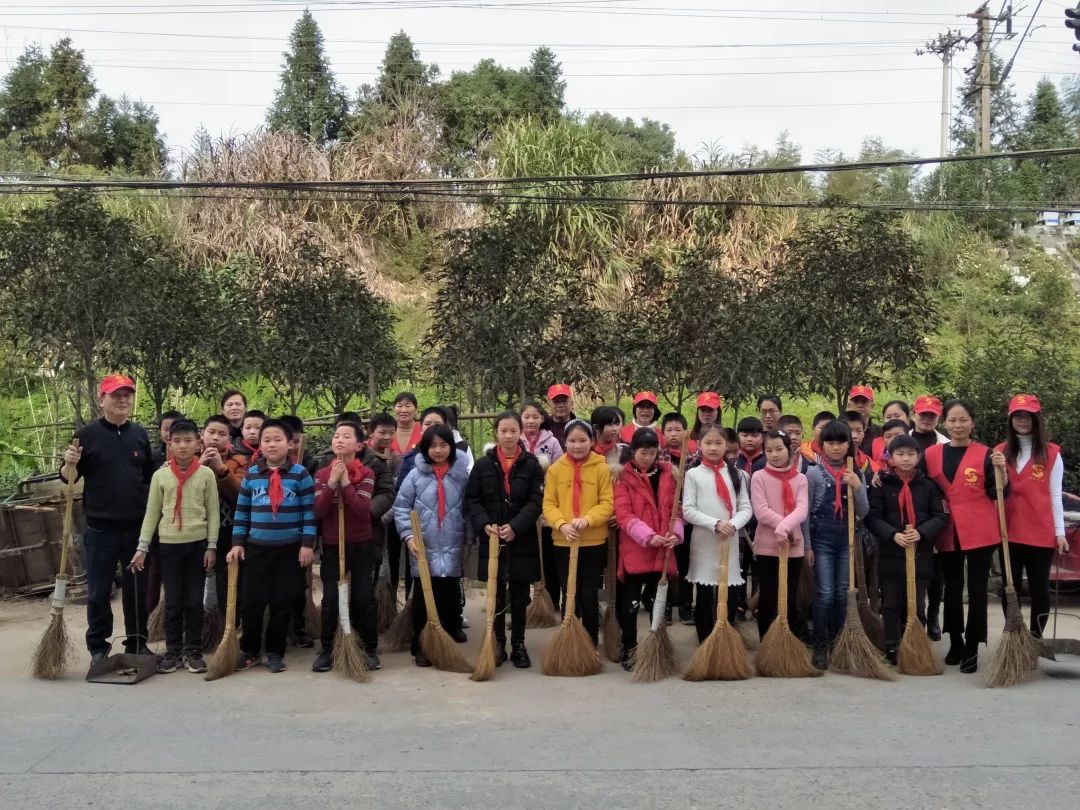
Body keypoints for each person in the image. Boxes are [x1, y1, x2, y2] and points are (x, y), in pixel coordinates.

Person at [61, 374, 155, 670]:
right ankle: (99, 648)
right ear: (102, 399)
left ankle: (138, 642)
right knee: (99, 591)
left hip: (136, 528)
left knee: (136, 590)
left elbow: (150, 478)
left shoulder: (138, 434)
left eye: (127, 395)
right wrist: (68, 462)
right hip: (101, 529)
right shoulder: (86, 436)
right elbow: (67, 478)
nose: (123, 400)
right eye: (116, 395)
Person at [921, 400, 1007, 674]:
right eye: (952, 420)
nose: (958, 425)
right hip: (946, 530)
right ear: (945, 423)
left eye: (963, 420)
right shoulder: (932, 454)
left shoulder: (986, 453)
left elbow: (999, 493)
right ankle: (955, 641)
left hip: (980, 530)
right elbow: (919, 486)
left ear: (973, 423)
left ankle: (972, 645)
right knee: (952, 589)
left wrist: (1002, 471)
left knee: (979, 590)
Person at [227, 418, 317, 674]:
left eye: (277, 439)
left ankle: (276, 652)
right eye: (267, 440)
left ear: (290, 444)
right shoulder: (252, 474)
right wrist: (237, 543)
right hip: (256, 549)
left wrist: (307, 545)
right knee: (251, 602)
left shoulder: (301, 475)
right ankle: (250, 650)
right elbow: (242, 512)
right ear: (261, 445)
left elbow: (309, 513)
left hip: (290, 550)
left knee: (283, 602)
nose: (272, 444)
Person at [132, 419, 218, 674]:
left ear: (198, 443)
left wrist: (211, 546)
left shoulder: (206, 474)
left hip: (197, 545)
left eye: (188, 441)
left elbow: (213, 513)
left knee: (194, 600)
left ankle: (193, 651)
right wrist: (142, 547)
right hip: (168, 546)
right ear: (169, 443)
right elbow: (152, 514)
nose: (182, 446)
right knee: (173, 601)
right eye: (177, 441)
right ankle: (172, 651)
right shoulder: (160, 475)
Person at [465, 411, 545, 669]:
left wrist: (516, 526)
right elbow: (472, 500)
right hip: (492, 537)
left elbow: (536, 501)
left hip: (521, 538)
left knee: (520, 595)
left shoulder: (532, 464)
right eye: (504, 431)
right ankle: (497, 642)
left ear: (520, 432)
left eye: (513, 431)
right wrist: (485, 524)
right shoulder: (483, 465)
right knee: (496, 593)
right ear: (496, 433)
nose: (509, 436)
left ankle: (519, 644)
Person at [394, 423, 472, 666]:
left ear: (451, 446)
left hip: (452, 544)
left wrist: (468, 538)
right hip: (423, 545)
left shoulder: (461, 476)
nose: (438, 450)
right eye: (433, 446)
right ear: (425, 448)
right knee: (423, 599)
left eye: (443, 445)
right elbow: (401, 507)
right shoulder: (415, 476)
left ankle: (445, 644)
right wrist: (408, 536)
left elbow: (470, 509)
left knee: (449, 598)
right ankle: (421, 646)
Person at [865, 434, 947, 665]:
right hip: (891, 554)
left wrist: (921, 532)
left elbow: (941, 516)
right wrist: (893, 534)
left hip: (921, 554)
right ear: (890, 458)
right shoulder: (881, 485)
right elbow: (873, 517)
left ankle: (915, 645)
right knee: (891, 603)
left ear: (919, 457)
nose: (906, 459)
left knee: (917, 603)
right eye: (900, 454)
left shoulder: (930, 486)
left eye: (911, 454)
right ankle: (891, 646)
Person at [996, 394, 1069, 638]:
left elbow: (1055, 495)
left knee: (1039, 589)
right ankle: (1015, 637)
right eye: (1018, 415)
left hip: (1040, 532)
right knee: (1010, 588)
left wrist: (1060, 532)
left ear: (1037, 418)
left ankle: (1036, 639)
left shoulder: (1051, 453)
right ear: (1010, 419)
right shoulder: (999, 452)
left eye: (1028, 415)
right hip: (1008, 531)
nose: (1023, 420)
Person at [312, 421, 380, 673]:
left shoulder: (367, 475)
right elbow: (319, 511)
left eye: (346, 436)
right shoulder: (320, 475)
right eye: (336, 435)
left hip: (361, 545)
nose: (339, 440)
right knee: (331, 599)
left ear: (359, 445)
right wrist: (331, 483)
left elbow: (364, 512)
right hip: (332, 545)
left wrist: (347, 483)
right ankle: (328, 649)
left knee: (363, 598)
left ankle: (370, 648)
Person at [613, 428, 683, 671]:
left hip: (663, 547)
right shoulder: (622, 477)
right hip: (637, 547)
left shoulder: (668, 476)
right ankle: (629, 646)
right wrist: (648, 536)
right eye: (643, 452)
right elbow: (623, 514)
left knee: (657, 602)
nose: (647, 457)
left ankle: (657, 647)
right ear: (633, 451)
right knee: (630, 603)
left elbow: (677, 509)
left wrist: (676, 533)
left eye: (652, 453)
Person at [542, 419, 615, 647]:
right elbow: (548, 504)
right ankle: (570, 640)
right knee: (569, 592)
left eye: (583, 440)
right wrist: (562, 524)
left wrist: (588, 520)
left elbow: (607, 502)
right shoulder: (555, 470)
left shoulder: (602, 467)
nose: (577, 445)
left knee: (589, 592)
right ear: (565, 441)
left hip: (593, 540)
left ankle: (591, 641)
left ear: (591, 441)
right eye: (572, 440)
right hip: (563, 541)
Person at [805, 420, 869, 670]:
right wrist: (808, 546)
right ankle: (820, 644)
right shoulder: (813, 473)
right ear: (822, 445)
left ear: (848, 444)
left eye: (840, 442)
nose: (835, 448)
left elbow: (863, 511)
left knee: (843, 593)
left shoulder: (856, 472)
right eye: (830, 443)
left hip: (847, 539)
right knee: (825, 593)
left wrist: (857, 486)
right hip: (822, 539)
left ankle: (837, 641)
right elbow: (807, 513)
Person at [681, 423, 753, 643]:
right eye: (708, 443)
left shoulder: (738, 475)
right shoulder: (693, 474)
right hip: (704, 541)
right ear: (699, 445)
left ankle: (726, 639)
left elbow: (746, 507)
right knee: (704, 594)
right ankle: (704, 641)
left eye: (718, 443)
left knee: (730, 593)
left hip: (729, 540)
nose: (713, 448)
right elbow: (688, 510)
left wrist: (732, 524)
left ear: (727, 445)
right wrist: (715, 523)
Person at [750, 430, 809, 640]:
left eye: (779, 449)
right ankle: (766, 643)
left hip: (793, 545)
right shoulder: (759, 477)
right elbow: (761, 511)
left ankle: (789, 642)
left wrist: (785, 529)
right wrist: (783, 527)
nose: (774, 454)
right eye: (769, 450)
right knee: (768, 596)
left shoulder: (801, 479)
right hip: (767, 545)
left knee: (790, 597)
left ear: (789, 449)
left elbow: (802, 509)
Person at [200, 415, 250, 613]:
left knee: (225, 576)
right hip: (196, 528)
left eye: (222, 434)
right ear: (202, 434)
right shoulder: (191, 458)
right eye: (211, 432)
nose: (215, 438)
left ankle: (226, 621)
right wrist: (201, 467)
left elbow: (240, 495)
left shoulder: (238, 461)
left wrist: (221, 468)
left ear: (229, 439)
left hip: (227, 528)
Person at [910, 394, 948, 641]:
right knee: (916, 571)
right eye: (923, 414)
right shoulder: (903, 441)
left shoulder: (945, 444)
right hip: (909, 512)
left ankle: (933, 616)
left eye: (931, 415)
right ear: (914, 414)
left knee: (937, 572)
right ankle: (917, 617)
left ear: (938, 417)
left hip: (938, 512)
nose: (926, 418)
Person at [520, 399, 564, 613]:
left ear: (542, 418)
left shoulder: (552, 442)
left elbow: (559, 470)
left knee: (547, 552)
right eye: (527, 417)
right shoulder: (515, 438)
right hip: (521, 503)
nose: (531, 421)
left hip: (546, 500)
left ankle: (551, 598)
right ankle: (522, 600)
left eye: (535, 417)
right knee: (524, 552)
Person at [848, 385, 880, 456]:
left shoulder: (880, 432)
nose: (860, 405)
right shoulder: (840, 429)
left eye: (864, 401)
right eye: (856, 401)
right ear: (849, 405)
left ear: (872, 406)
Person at [546, 383, 577, 450]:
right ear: (549, 403)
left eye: (564, 401)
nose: (560, 405)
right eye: (556, 402)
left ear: (571, 402)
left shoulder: (581, 427)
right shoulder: (543, 428)